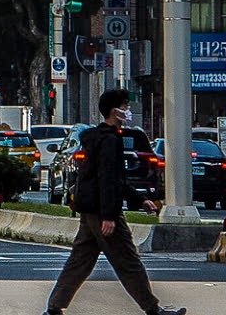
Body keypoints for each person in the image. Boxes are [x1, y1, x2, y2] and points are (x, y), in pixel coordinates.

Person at [42, 90, 185, 315]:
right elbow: (107, 179)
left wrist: (140, 199)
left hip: (90, 210)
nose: (128, 111)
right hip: (103, 211)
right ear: (113, 111)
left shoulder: (97, 138)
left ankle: (54, 307)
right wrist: (109, 216)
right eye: (124, 107)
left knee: (80, 261)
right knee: (128, 261)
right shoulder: (109, 140)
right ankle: (153, 309)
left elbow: (114, 179)